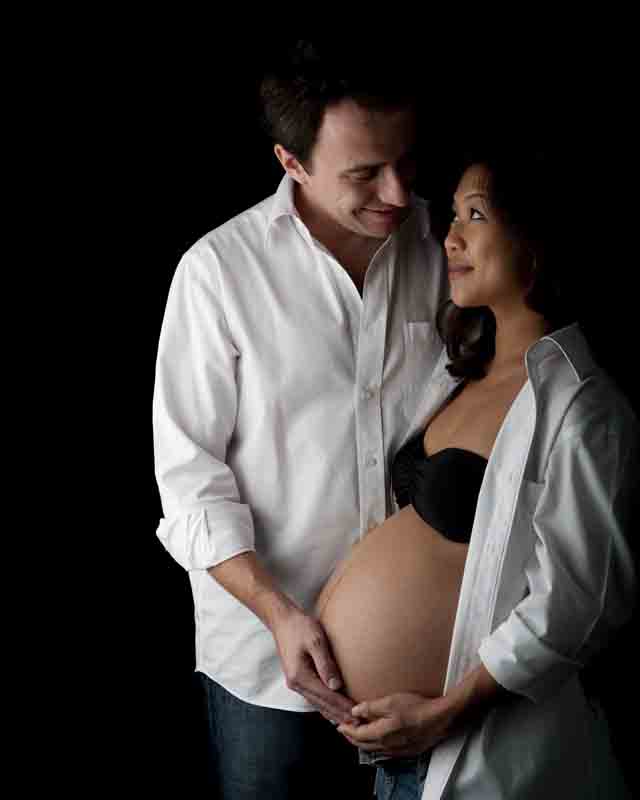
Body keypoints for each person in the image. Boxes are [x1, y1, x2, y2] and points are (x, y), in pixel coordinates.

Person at [152, 39, 449, 798]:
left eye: (406, 161)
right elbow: (189, 484)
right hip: (266, 670)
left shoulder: (449, 250)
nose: (397, 191)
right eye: (364, 173)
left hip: (427, 671)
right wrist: (279, 614)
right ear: (292, 162)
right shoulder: (218, 273)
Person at [325, 145, 638, 799]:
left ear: (534, 241)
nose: (451, 237)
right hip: (397, 760)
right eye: (452, 216)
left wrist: (444, 712)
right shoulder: (456, 376)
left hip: (479, 753)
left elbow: (576, 605)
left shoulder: (582, 406)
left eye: (476, 215)